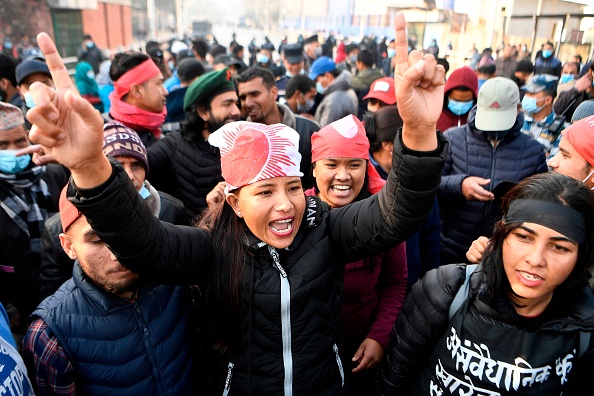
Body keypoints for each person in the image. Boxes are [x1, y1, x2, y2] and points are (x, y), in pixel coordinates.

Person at [26, 12, 447, 394]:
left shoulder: (325, 227)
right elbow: (142, 242)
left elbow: (397, 213)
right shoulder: (212, 247)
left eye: (293, 187)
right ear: (235, 200)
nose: (285, 206)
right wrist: (89, 166)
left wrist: (420, 130)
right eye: (265, 191)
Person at [382, 172, 594, 395]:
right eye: (523, 237)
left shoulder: (584, 327)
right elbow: (395, 379)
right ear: (501, 234)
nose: (536, 259)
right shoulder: (445, 290)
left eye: (559, 247)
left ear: (581, 256)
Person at [23, 187, 198, 395]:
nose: (118, 255)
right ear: (68, 246)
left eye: (127, 233)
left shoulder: (180, 281)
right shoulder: (49, 336)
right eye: (97, 240)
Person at [305, 115, 407, 395]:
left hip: (360, 351)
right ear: (314, 169)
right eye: (331, 164)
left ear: (366, 166)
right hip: (306, 354)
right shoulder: (294, 214)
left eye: (354, 164)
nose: (343, 175)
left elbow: (395, 283)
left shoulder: (383, 219)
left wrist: (379, 336)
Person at [38, 121, 189, 301]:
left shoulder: (170, 209)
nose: (130, 176)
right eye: (116, 165)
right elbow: (54, 291)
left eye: (136, 165)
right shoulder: (59, 227)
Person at [439, 77, 547, 265]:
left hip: (500, 252)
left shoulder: (533, 151)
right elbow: (431, 184)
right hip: (451, 245)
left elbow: (539, 206)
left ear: (518, 109)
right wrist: (460, 184)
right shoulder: (453, 138)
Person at [0, 102, 68, 340]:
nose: (13, 150)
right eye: (2, 145)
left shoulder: (53, 173)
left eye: (20, 141)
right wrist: (8, 308)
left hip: (68, 292)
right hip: (21, 310)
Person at [364, 106, 441, 290]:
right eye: (412, 143)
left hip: (411, 284)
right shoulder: (360, 178)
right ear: (389, 145)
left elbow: (430, 237)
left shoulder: (420, 178)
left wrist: (433, 283)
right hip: (369, 291)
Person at [147, 68, 239, 219]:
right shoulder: (173, 146)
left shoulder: (246, 142)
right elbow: (136, 166)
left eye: (236, 103)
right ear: (203, 111)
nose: (236, 111)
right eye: (227, 104)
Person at [236, 67, 319, 189]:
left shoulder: (309, 130)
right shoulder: (240, 140)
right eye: (243, 98)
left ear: (273, 93)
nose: (247, 103)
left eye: (255, 94)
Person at [107, 52, 168, 147]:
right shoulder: (118, 145)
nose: (166, 92)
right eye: (159, 84)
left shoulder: (150, 127)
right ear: (137, 91)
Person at [309, 56, 358, 127]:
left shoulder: (334, 100)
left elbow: (325, 132)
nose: (317, 84)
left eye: (317, 80)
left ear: (328, 77)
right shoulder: (343, 90)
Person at [520, 74, 562, 154]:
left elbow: (553, 162)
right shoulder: (519, 120)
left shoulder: (561, 129)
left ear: (547, 100)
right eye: (526, 93)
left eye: (531, 94)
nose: (526, 97)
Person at [436, 66, 478, 132]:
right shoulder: (435, 117)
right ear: (447, 96)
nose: (461, 105)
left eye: (467, 101)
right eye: (456, 100)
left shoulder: (478, 121)